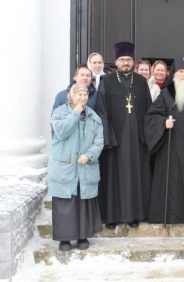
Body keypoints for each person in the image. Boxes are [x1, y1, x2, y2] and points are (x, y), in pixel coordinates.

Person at [145, 55, 184, 224]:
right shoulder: (165, 94)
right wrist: (163, 123)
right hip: (169, 147)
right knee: (169, 181)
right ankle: (166, 214)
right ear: (174, 74)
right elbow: (151, 116)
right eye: (180, 71)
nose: (183, 75)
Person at [95, 42, 152, 229]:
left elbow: (150, 110)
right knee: (113, 177)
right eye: (122, 60)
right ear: (116, 62)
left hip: (136, 138)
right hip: (115, 139)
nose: (125, 63)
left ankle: (134, 214)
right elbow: (101, 111)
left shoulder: (141, 82)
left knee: (136, 175)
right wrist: (107, 136)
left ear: (133, 62)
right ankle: (112, 216)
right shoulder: (107, 82)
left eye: (128, 60)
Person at [49, 83, 104, 251]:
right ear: (71, 96)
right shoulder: (59, 113)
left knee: (83, 202)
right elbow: (61, 132)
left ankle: (82, 236)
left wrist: (89, 155)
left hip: (85, 166)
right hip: (65, 167)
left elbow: (99, 140)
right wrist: (75, 113)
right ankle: (64, 239)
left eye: (85, 95)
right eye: (79, 95)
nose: (83, 98)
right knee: (65, 203)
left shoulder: (94, 116)